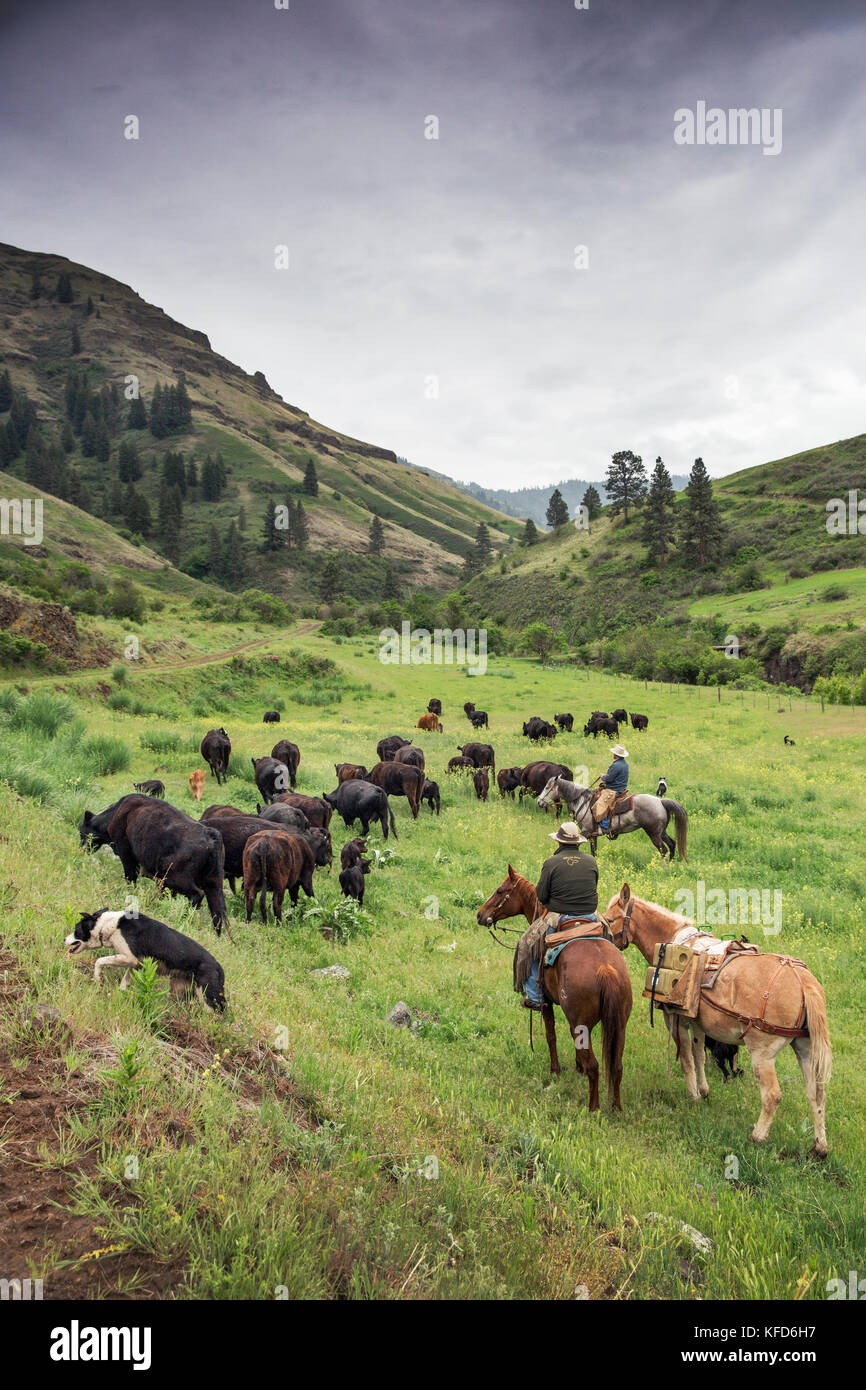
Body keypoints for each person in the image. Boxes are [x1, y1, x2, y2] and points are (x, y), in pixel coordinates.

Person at [523, 822, 599, 1010]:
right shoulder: (591, 861)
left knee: (528, 946)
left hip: (560, 918)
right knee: (612, 939)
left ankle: (534, 995)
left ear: (559, 843)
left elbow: (541, 896)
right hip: (591, 917)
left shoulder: (551, 863)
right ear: (578, 843)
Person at [592, 743, 629, 833]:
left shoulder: (616, 765)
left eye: (614, 753)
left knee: (598, 806)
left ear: (616, 754)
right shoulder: (625, 764)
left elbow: (609, 778)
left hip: (613, 790)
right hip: (621, 788)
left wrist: (603, 776)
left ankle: (605, 827)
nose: (613, 754)